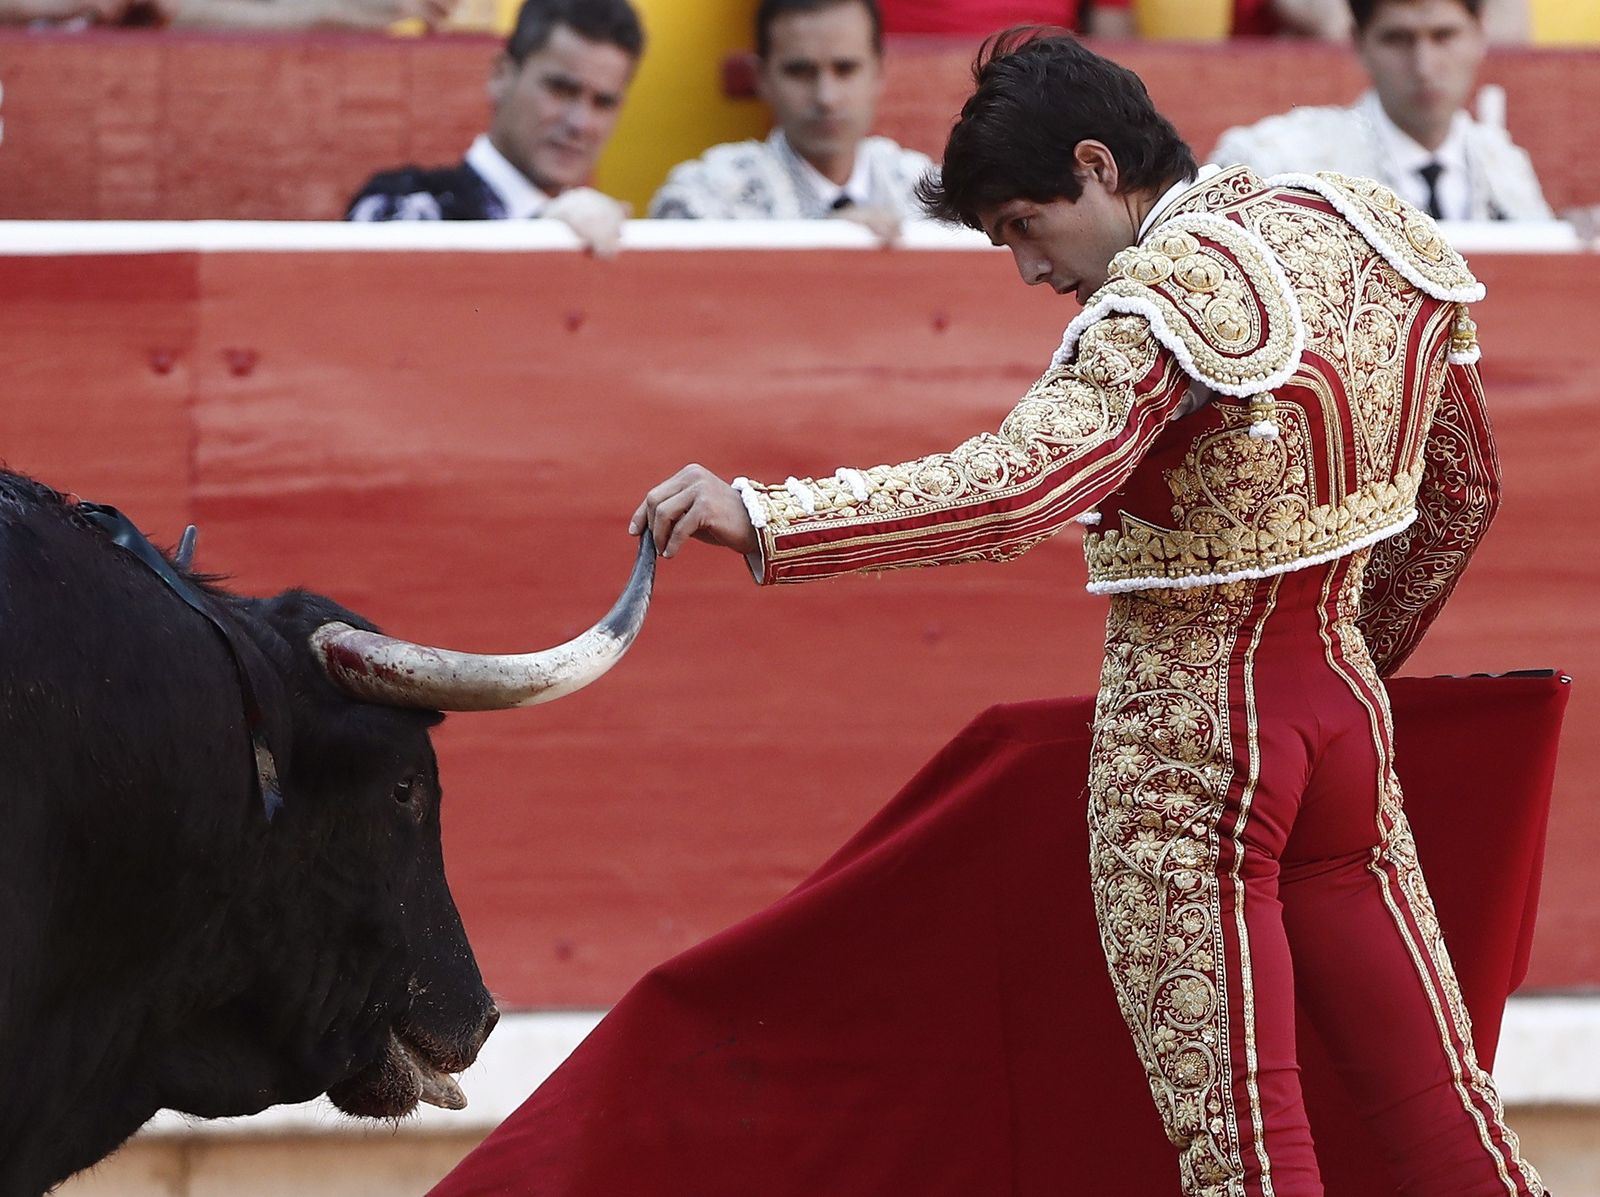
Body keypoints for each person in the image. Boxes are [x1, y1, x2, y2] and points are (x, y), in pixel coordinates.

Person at [631, 29, 1547, 1197]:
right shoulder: (1351, 221)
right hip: (1342, 736)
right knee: (1444, 1114)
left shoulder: (1161, 303)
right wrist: (1346, 663)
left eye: (1023, 225)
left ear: (1098, 166)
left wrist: (764, 515)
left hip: (1190, 753)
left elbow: (1018, 489)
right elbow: (1464, 492)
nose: (1026, 270)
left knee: (1249, 1157)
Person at [345, 0, 642, 257]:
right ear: (501, 75)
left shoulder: (614, 235)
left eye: (603, 103)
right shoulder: (406, 205)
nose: (580, 122)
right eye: (560, 89)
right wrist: (539, 231)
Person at [1212, 0, 1550, 219]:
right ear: (1359, 43)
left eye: (1444, 36)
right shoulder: (1279, 158)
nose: (1424, 67)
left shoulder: (1505, 165)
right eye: (1397, 39)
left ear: (1479, 36)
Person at [647, 0, 934, 243]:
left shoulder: (927, 190)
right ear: (761, 78)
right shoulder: (707, 197)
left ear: (878, 73)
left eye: (845, 69)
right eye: (799, 71)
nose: (826, 98)